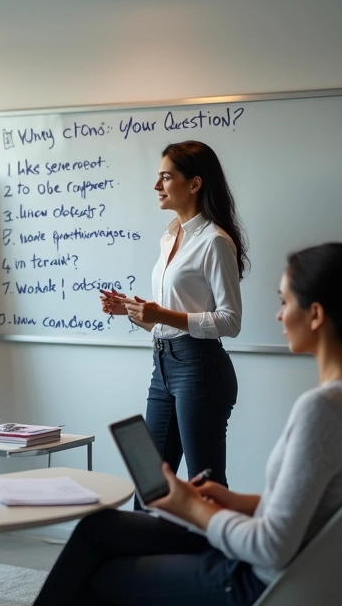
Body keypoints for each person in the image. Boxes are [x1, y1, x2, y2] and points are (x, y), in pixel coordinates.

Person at [36, 242, 342, 605]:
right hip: (283, 565)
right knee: (99, 528)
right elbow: (311, 508)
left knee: (105, 573)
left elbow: (270, 547)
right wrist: (232, 501)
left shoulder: (324, 410)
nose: (279, 314)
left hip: (256, 581)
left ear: (316, 315)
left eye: (284, 302)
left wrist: (192, 508)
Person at [100, 140, 246, 489]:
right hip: (164, 366)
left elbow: (230, 321)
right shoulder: (169, 237)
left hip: (200, 369)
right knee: (150, 482)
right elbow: (167, 322)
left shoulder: (214, 242)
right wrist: (132, 311)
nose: (157, 185)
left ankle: (215, 530)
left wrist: (162, 314)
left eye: (166, 177)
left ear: (194, 184)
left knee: (205, 486)